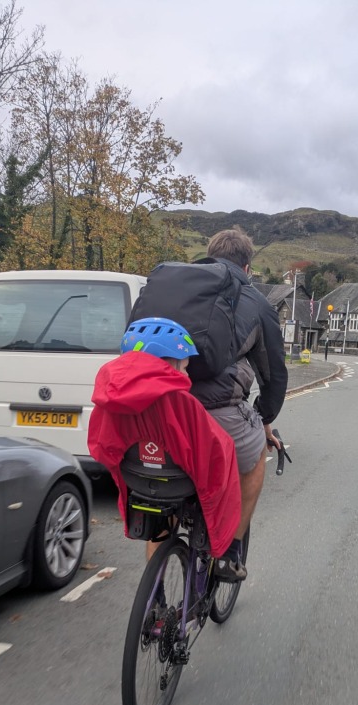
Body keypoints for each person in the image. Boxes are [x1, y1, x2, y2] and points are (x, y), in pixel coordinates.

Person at [87, 317, 245, 580]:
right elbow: (217, 454)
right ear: (166, 362)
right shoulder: (180, 401)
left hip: (136, 479)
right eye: (183, 367)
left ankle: (155, 601)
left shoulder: (109, 394)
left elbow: (100, 445)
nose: (185, 376)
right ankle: (220, 558)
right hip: (179, 483)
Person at [190, 228, 288, 564]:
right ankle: (231, 554)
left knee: (165, 513)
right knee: (256, 459)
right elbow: (273, 375)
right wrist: (264, 419)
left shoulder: (177, 286)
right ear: (247, 269)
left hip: (158, 408)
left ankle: (155, 601)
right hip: (218, 412)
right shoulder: (256, 302)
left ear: (208, 254)